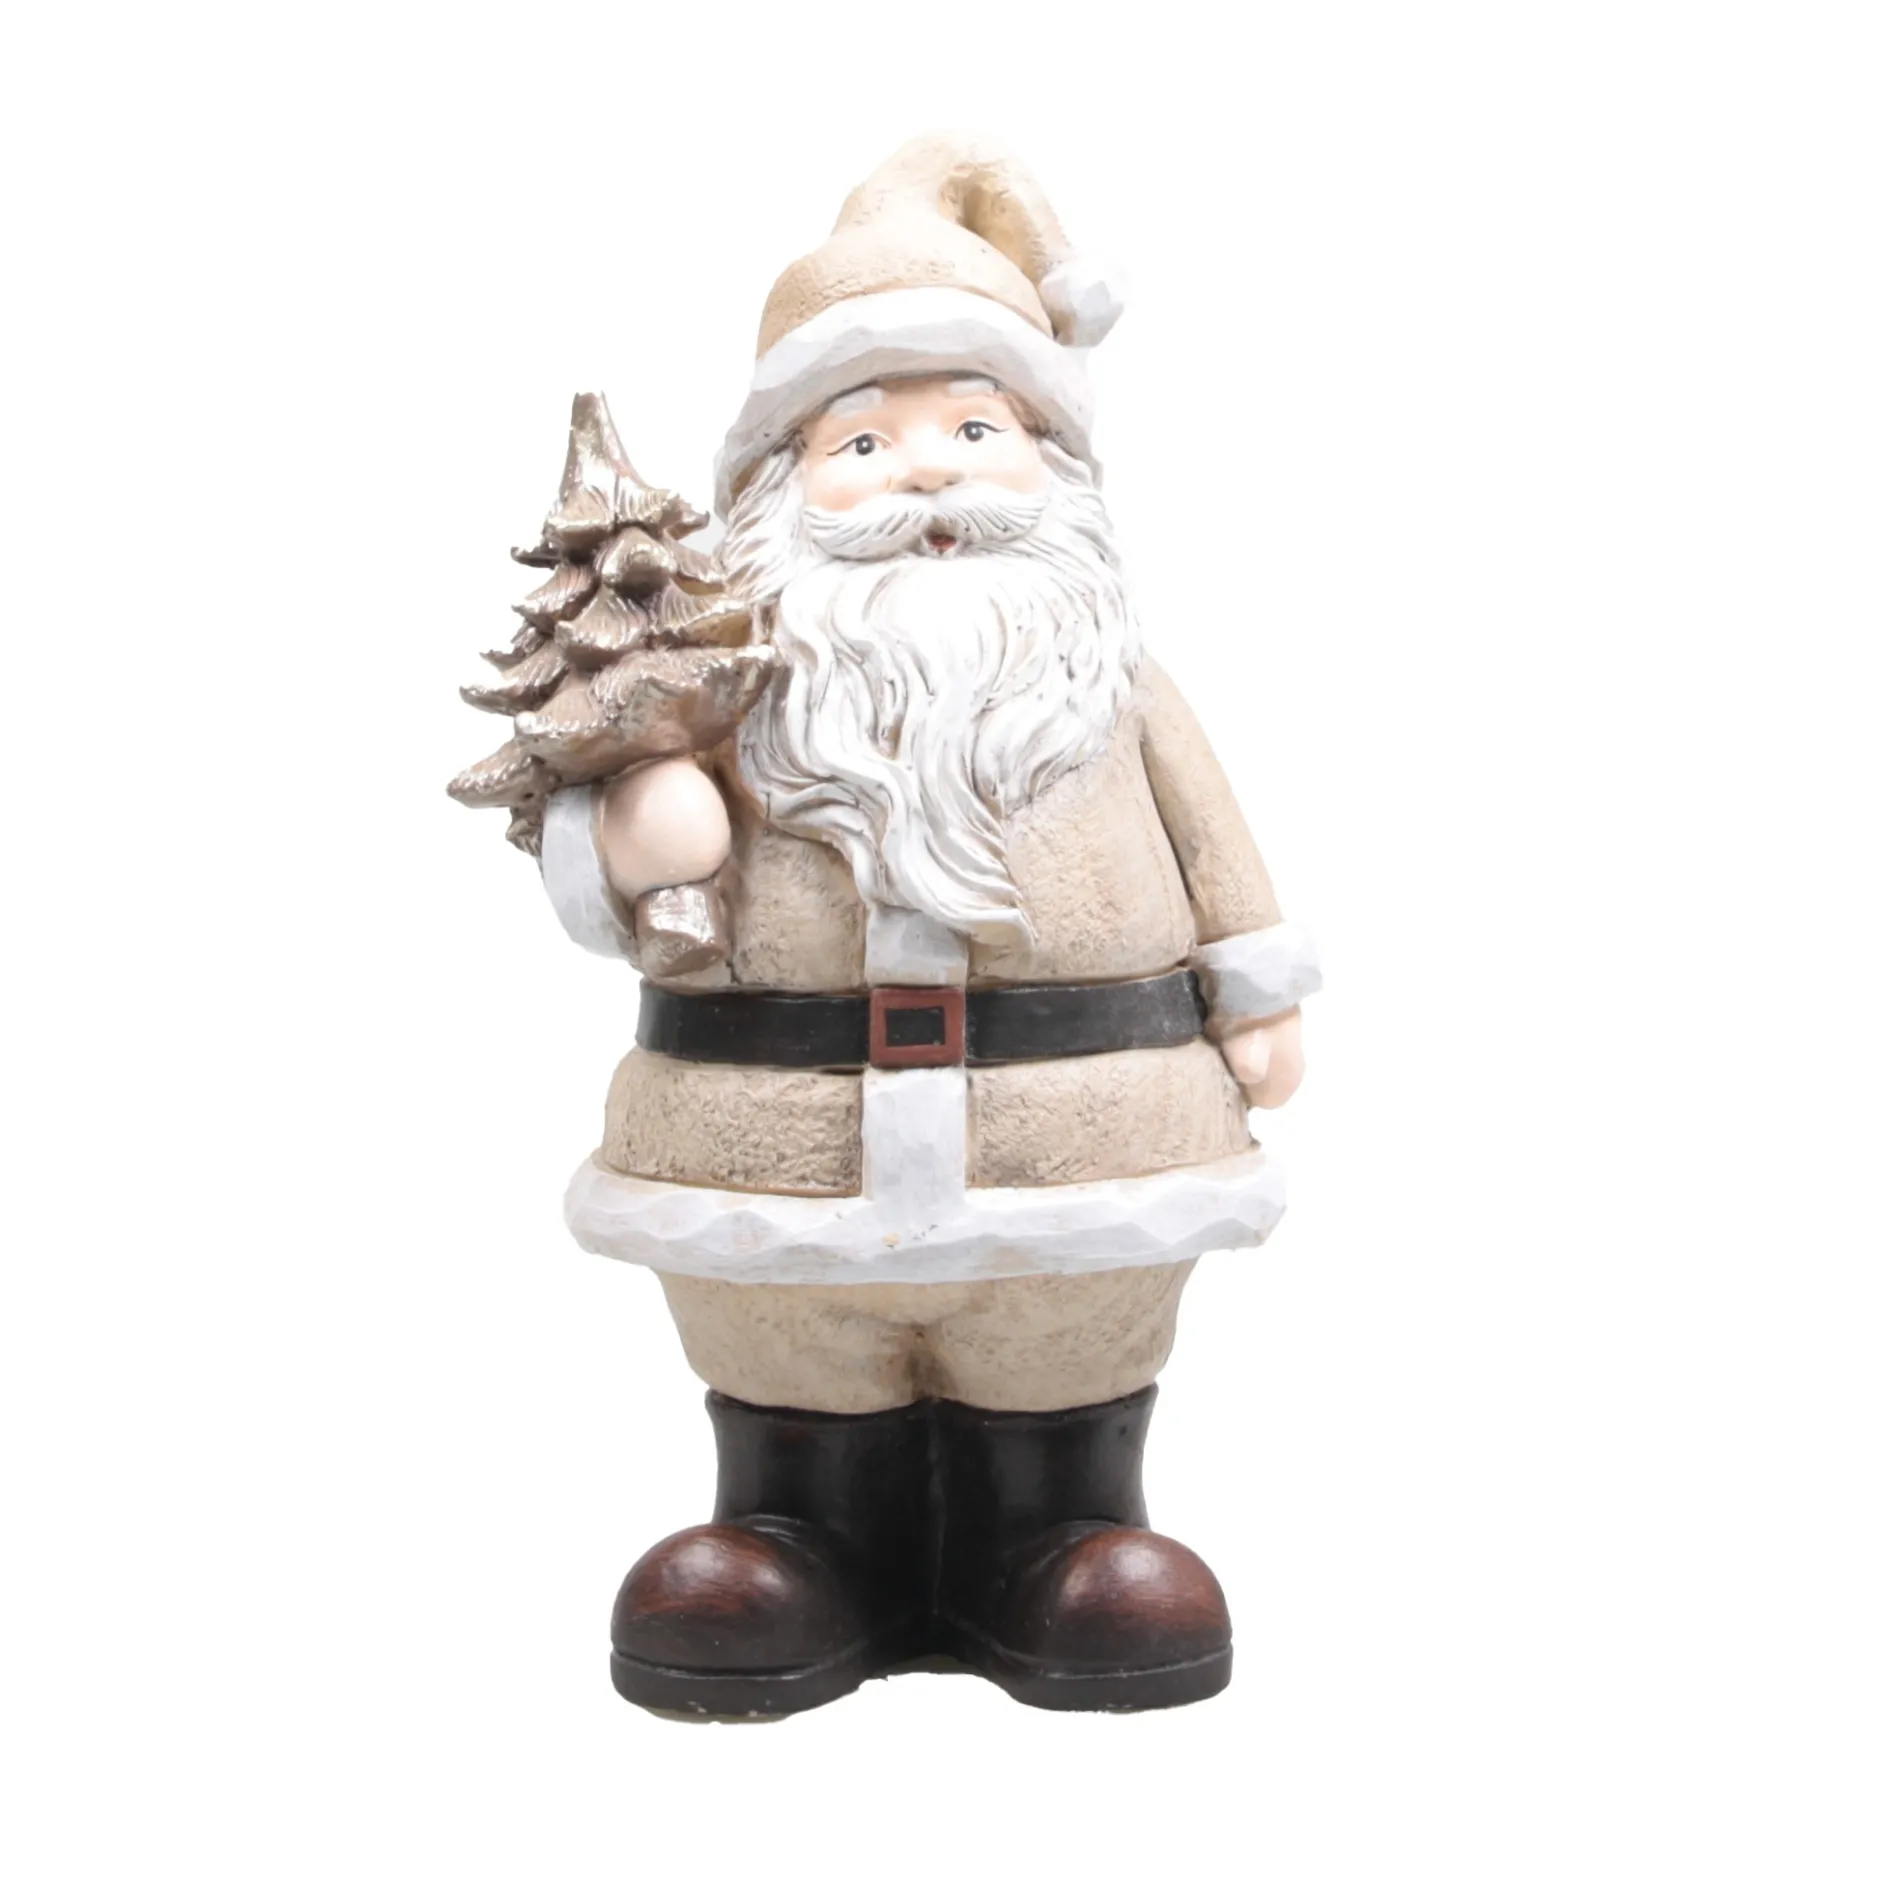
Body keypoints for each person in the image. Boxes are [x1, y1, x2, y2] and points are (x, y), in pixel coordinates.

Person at [537, 134, 1320, 1715]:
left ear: (1050, 459)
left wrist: (1254, 990)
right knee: (794, 1358)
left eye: (976, 427)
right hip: (778, 1136)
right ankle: (797, 1540)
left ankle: (1062, 1540)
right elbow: (627, 873)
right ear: (781, 485)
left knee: (1062, 1349)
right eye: (865, 440)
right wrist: (630, 822)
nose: (929, 472)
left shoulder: (1112, 682)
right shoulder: (728, 690)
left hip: (1077, 1131)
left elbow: (1214, 844)